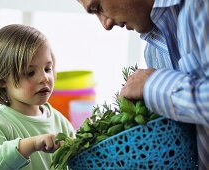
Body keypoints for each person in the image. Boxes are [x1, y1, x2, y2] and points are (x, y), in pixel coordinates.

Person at [76, 0, 209, 169]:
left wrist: (152, 85)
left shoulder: (200, 5)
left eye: (97, 8)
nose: (105, 24)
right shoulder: (154, 52)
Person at [0, 24, 75, 170]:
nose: (44, 78)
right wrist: (30, 145)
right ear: (3, 80)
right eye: (30, 73)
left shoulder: (61, 122)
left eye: (48, 69)